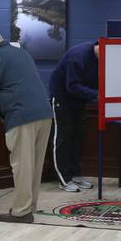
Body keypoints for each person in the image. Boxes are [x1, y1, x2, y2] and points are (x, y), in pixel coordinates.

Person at [0, 30, 53, 223]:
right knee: (34, 165)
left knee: (22, 166)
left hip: (22, 115)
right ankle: (29, 206)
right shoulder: (22, 53)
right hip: (44, 114)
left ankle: (21, 212)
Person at [48, 40, 99, 192]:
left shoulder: (98, 58)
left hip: (79, 101)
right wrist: (97, 95)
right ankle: (64, 179)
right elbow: (72, 86)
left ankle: (75, 175)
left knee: (77, 138)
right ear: (100, 48)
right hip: (62, 99)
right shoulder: (77, 56)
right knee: (63, 138)